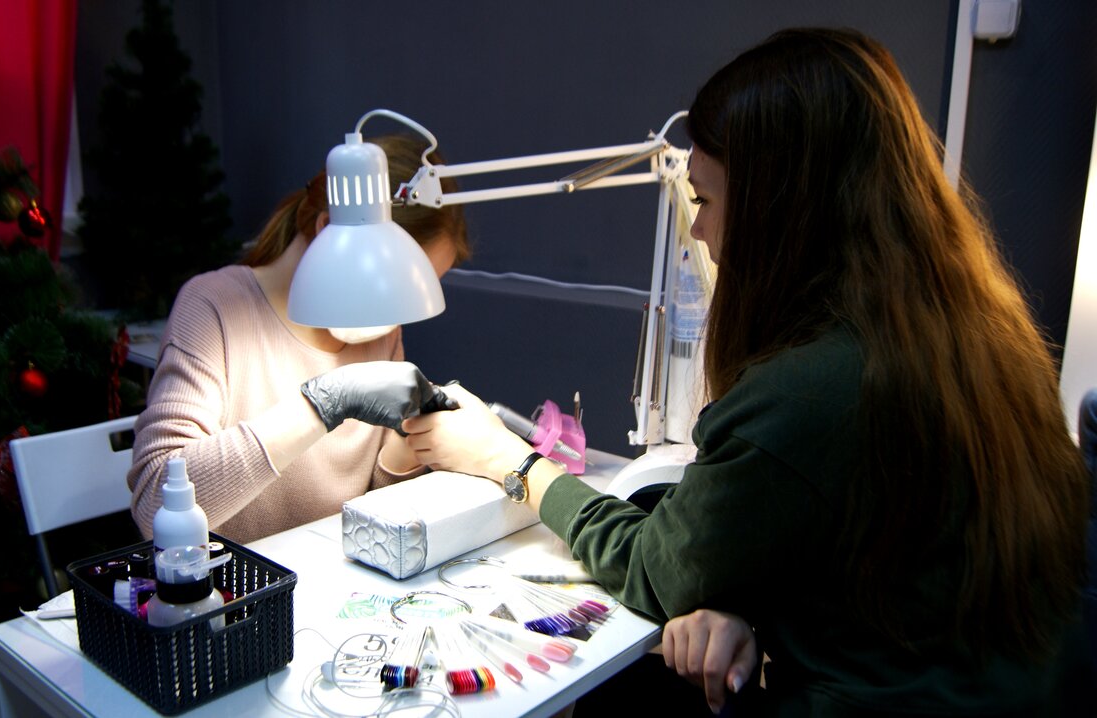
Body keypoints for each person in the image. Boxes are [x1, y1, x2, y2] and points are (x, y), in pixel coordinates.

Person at [401, 28, 1089, 716]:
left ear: (778, 208)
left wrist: (511, 461)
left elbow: (655, 569)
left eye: (703, 199)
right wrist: (746, 612)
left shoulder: (812, 389)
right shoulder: (980, 334)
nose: (698, 229)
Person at [127, 134, 470, 545]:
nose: (396, 313)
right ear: (328, 230)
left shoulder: (379, 326)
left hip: (330, 573)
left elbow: (370, 499)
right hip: (235, 578)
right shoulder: (215, 307)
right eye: (395, 283)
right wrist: (323, 403)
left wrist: (409, 443)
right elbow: (156, 506)